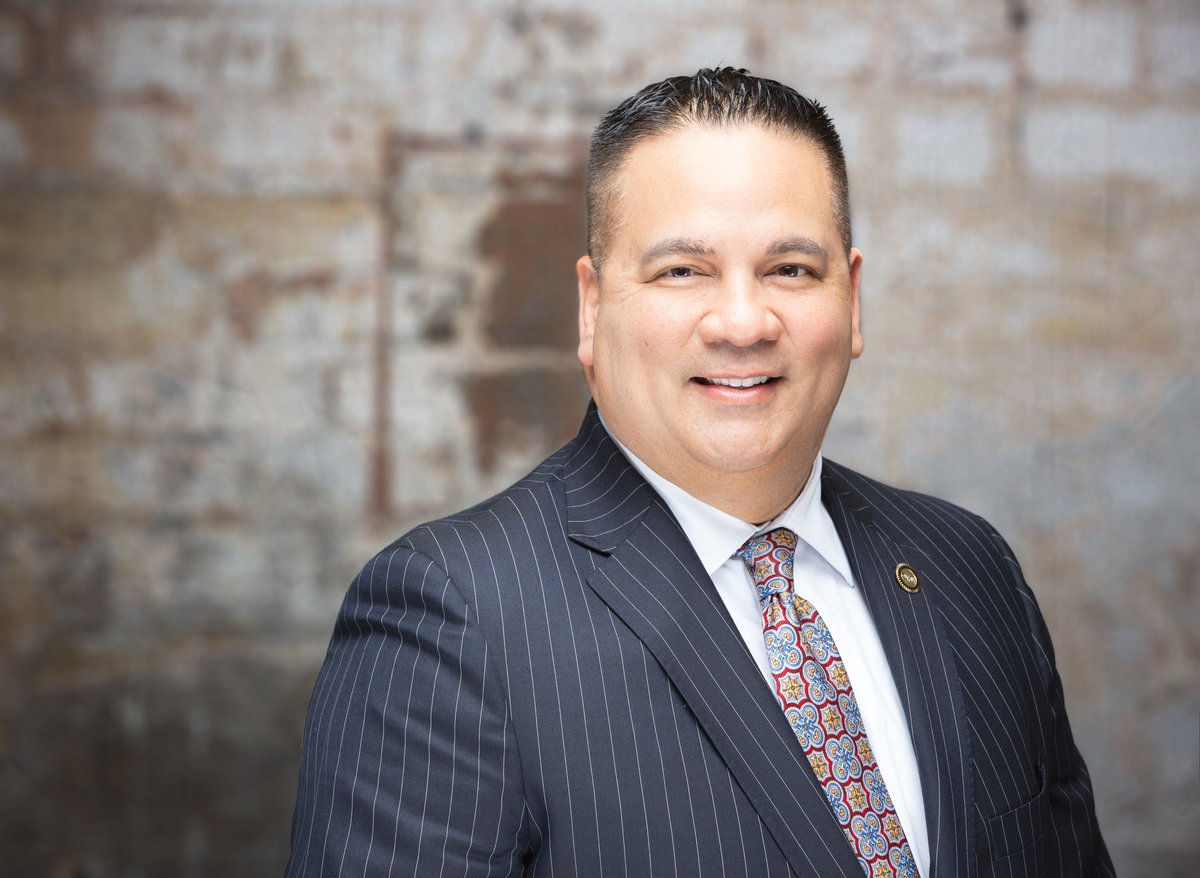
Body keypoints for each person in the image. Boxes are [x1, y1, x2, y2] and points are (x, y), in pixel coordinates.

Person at [285, 68, 1113, 877]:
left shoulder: (970, 568)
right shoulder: (453, 618)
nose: (744, 323)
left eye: (791, 268)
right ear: (593, 305)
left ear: (852, 301)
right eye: (683, 271)